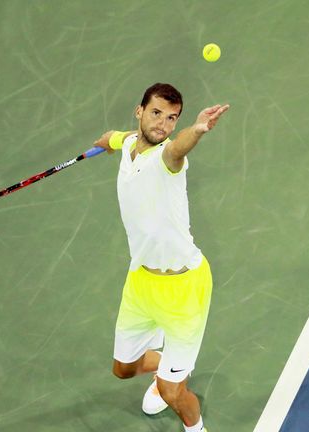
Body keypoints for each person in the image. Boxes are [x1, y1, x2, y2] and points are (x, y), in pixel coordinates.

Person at [94, 82, 229, 432]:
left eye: (172, 119)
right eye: (156, 113)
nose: (163, 125)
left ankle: (195, 427)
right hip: (140, 282)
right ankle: (173, 364)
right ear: (139, 111)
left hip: (184, 288)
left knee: (172, 391)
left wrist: (195, 130)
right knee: (123, 369)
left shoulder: (168, 159)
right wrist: (105, 141)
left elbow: (178, 149)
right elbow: (117, 137)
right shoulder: (128, 145)